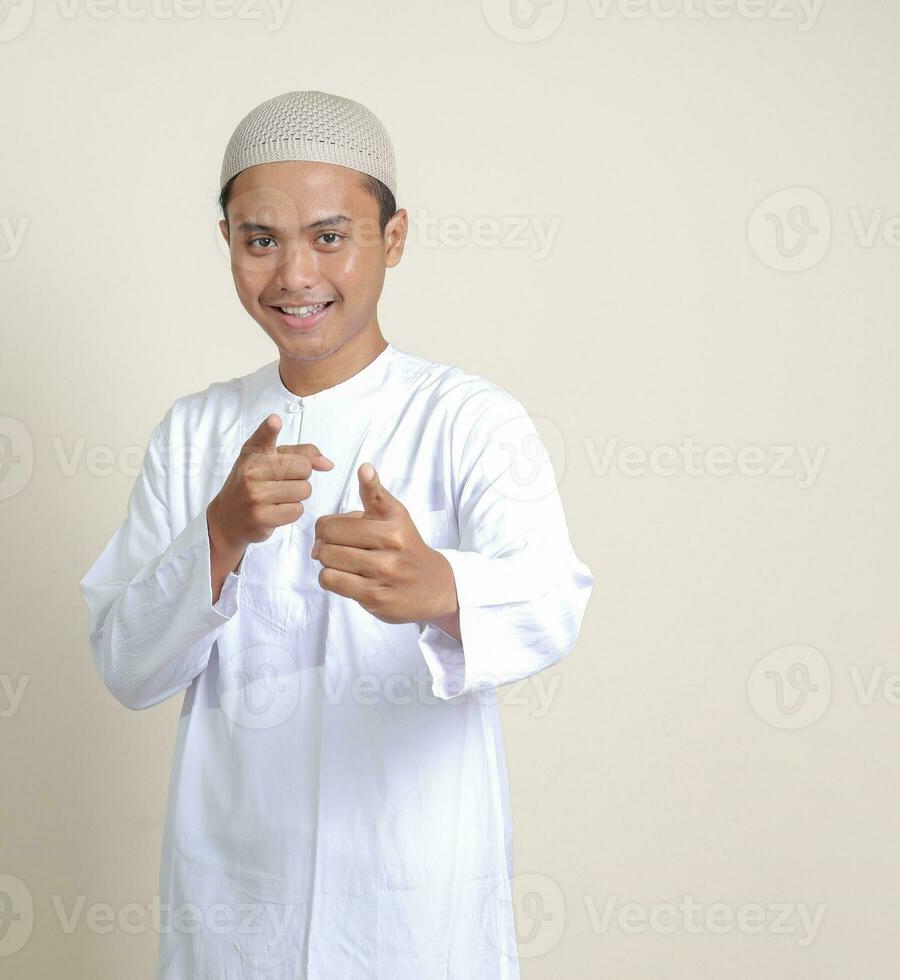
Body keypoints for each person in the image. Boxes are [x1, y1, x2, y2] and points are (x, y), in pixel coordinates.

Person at [80, 89, 595, 980]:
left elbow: (555, 598)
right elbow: (127, 663)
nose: (293, 276)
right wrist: (220, 534)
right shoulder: (199, 434)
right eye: (260, 240)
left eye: (329, 236)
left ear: (392, 240)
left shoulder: (467, 419)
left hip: (411, 906)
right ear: (228, 244)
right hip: (238, 904)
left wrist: (444, 587)